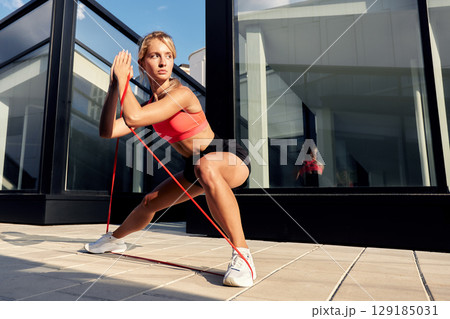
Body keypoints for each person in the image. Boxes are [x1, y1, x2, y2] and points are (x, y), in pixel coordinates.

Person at [84, 31, 255, 287]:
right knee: (149, 202)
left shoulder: (181, 94)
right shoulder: (151, 105)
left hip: (225, 155)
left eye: (168, 56)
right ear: (143, 63)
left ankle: (243, 256)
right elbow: (107, 131)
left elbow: (134, 118)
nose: (163, 62)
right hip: (196, 167)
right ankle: (114, 239)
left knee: (205, 166)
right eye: (155, 55)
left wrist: (123, 81)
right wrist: (114, 87)